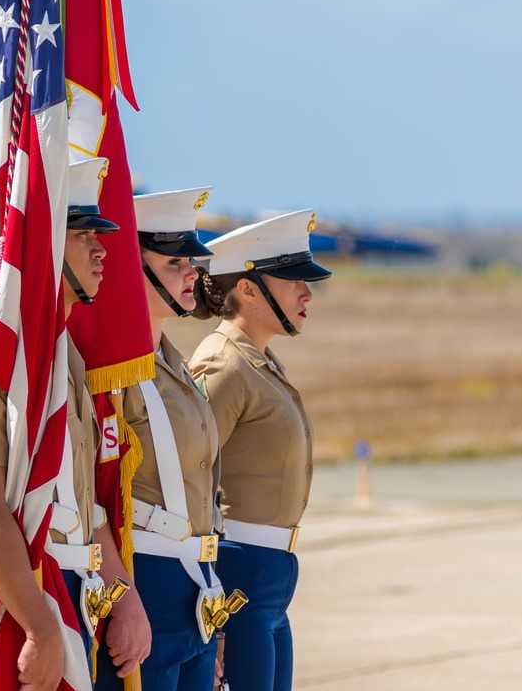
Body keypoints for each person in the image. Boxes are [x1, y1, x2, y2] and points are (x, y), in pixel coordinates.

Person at [0, 158, 153, 690]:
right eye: (81, 236)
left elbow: (83, 503)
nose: (103, 250)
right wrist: (40, 627)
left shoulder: (64, 360)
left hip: (73, 596)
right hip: (21, 604)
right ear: (38, 244)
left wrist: (123, 593)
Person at [187, 210, 332, 691]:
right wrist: (214, 602)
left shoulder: (259, 361)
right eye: (293, 281)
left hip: (269, 576)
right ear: (247, 289)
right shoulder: (223, 364)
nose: (307, 293)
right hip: (236, 571)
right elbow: (190, 480)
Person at [94, 187, 223, 690]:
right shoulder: (110, 372)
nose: (192, 272)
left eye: (191, 261)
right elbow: (94, 495)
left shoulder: (177, 365)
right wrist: (122, 595)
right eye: (174, 263)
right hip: (141, 576)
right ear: (132, 269)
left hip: (193, 584)